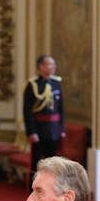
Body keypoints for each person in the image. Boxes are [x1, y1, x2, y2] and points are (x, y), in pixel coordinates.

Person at [23, 55, 65, 183]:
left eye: (53, 64)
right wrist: (31, 131)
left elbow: (61, 108)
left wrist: (61, 128)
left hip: (53, 130)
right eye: (49, 64)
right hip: (39, 130)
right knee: (37, 163)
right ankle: (33, 193)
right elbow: (27, 110)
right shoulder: (32, 85)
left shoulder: (56, 83)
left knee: (53, 164)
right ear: (40, 66)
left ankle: (51, 192)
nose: (53, 67)